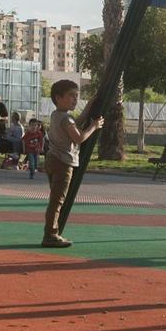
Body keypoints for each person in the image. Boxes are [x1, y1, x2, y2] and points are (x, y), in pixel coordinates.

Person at [41, 80, 102, 247]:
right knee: (57, 201)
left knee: (56, 199)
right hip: (63, 162)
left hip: (52, 159)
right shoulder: (66, 119)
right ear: (58, 98)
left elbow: (77, 122)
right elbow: (79, 137)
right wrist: (94, 126)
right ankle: (50, 234)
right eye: (71, 96)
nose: (75, 100)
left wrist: (89, 105)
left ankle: (52, 232)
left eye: (77, 96)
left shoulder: (57, 115)